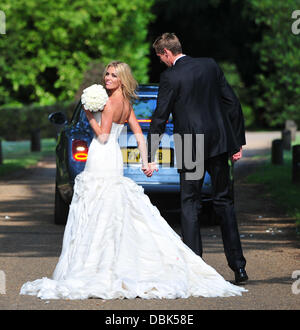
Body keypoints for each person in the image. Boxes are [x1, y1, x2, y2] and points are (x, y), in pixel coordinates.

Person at [20, 61, 247, 300]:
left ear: (121, 80)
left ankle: (97, 264)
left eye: (113, 75)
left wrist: (89, 115)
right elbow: (139, 134)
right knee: (111, 206)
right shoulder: (127, 104)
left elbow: (104, 135)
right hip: (114, 160)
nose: (107, 78)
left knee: (96, 207)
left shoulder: (108, 104)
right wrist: (147, 160)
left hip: (102, 156)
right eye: (106, 74)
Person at [147, 33, 248, 284]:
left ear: (166, 53)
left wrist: (151, 153)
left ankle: (195, 269)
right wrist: (236, 142)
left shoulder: (170, 76)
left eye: (160, 58)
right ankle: (239, 267)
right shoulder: (210, 65)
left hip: (190, 144)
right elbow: (232, 103)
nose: (162, 62)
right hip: (219, 142)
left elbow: (160, 117)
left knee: (191, 203)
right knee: (224, 202)